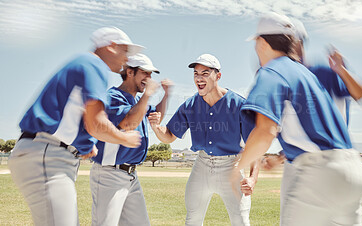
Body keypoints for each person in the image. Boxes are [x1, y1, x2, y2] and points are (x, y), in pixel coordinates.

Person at [233, 13, 362, 226]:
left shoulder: (272, 71)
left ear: (261, 43)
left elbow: (265, 131)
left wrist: (236, 168)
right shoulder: (308, 76)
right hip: (353, 169)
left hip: (318, 171)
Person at [8, 27, 143, 226]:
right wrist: (125, 138)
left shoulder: (85, 64)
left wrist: (86, 145)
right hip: (48, 153)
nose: (127, 59)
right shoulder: (93, 64)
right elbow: (96, 123)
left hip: (47, 153)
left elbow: (75, 112)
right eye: (125, 51)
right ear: (111, 47)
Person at [149, 53, 259, 226]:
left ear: (218, 76)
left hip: (231, 167)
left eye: (205, 73)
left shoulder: (238, 105)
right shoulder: (190, 104)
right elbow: (169, 136)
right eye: (196, 74)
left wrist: (252, 178)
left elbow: (255, 145)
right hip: (202, 165)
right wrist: (156, 127)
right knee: (192, 220)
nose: (199, 78)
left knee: (241, 221)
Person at [90, 53, 173, 226]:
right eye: (145, 73)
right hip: (109, 175)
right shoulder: (113, 96)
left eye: (151, 75)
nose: (149, 79)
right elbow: (128, 122)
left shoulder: (137, 99)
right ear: (130, 73)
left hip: (131, 176)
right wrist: (148, 95)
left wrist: (166, 95)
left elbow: (156, 115)